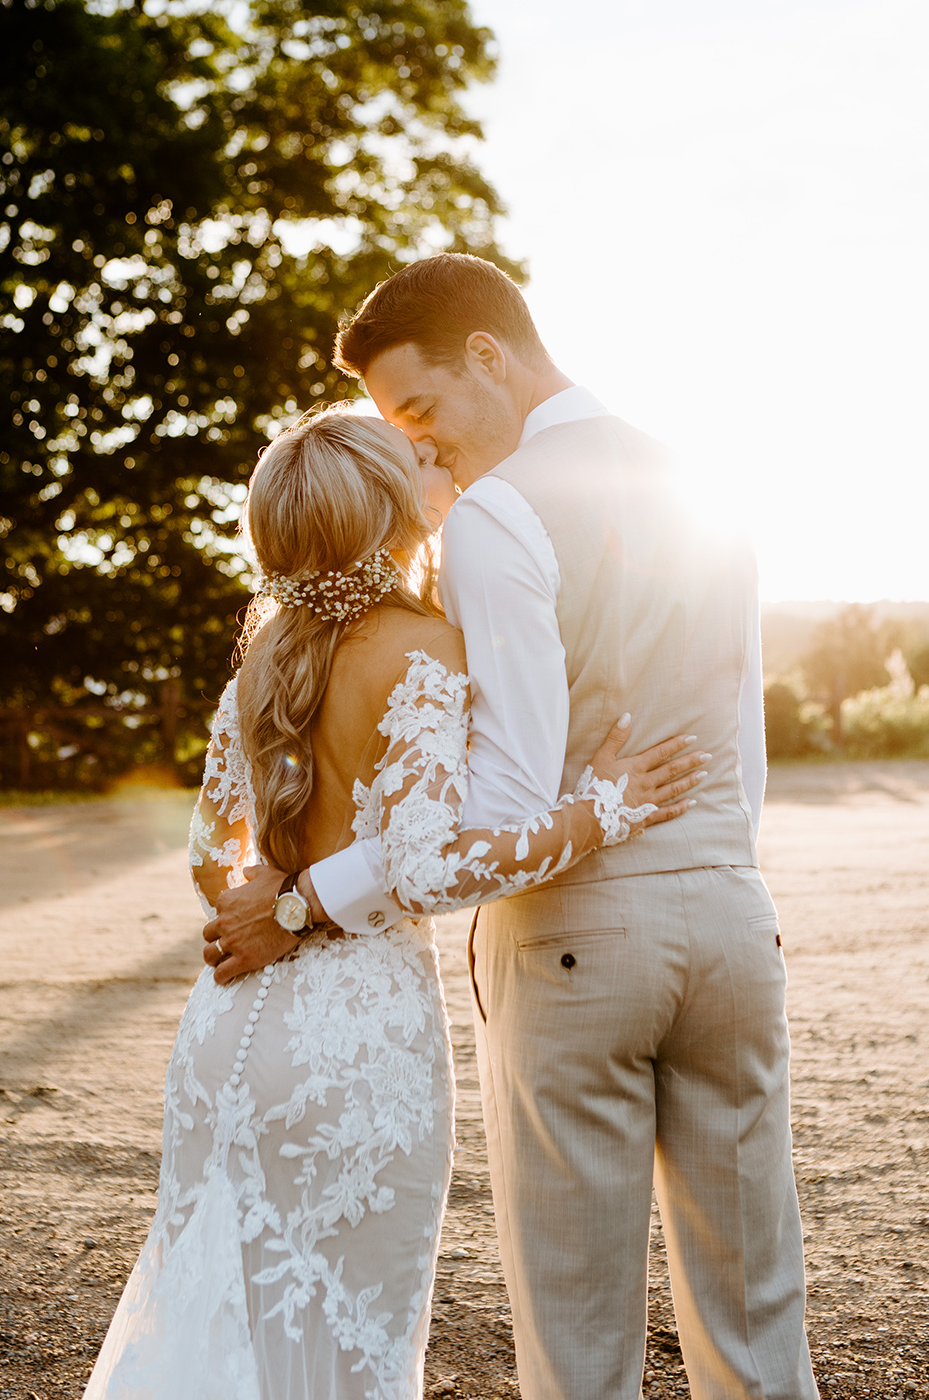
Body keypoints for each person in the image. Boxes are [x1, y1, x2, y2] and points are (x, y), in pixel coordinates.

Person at [206, 254, 819, 1400]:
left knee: (579, 1331)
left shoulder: (501, 510)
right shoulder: (702, 480)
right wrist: (724, 875)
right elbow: (742, 735)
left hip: (575, 935)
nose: (422, 448)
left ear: (489, 355)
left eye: (422, 410)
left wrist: (303, 902)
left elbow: (499, 804)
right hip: (734, 912)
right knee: (758, 1311)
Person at [83, 406, 703, 1400]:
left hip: (227, 1026)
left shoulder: (261, 658)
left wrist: (280, 901)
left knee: (222, 1315)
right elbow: (429, 868)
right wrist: (603, 808)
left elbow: (210, 856)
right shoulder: (425, 646)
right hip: (353, 1046)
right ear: (392, 516)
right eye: (413, 465)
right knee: (344, 1338)